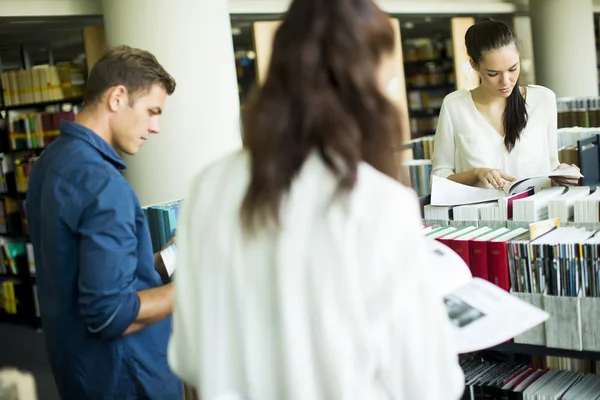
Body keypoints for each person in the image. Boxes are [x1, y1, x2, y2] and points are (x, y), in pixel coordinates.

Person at [167, 0, 465, 399]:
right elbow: (427, 384)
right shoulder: (379, 203)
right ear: (364, 84)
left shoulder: (207, 188)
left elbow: (189, 357)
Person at [25, 45, 182, 399]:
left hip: (79, 370)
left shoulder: (48, 163)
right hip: (128, 378)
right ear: (117, 97)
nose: (155, 128)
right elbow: (111, 315)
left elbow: (77, 270)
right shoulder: (105, 187)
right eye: (151, 111)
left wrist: (156, 263)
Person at [431, 18, 579, 189]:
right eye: (493, 74)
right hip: (480, 214)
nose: (506, 81)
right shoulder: (455, 106)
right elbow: (438, 179)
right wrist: (476, 174)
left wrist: (563, 174)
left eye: (513, 69)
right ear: (474, 64)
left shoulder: (543, 100)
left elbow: (552, 165)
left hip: (537, 212)